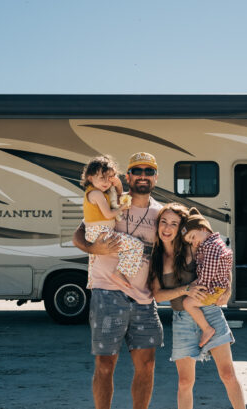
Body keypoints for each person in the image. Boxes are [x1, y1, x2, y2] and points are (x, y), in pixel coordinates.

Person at [73, 152, 164, 409]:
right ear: (128, 176)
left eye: (149, 171)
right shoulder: (111, 200)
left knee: (146, 365)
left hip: (143, 296)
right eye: (138, 171)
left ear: (156, 177)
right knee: (104, 365)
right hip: (107, 292)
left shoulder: (160, 212)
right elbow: (78, 235)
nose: (143, 176)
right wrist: (93, 249)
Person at [149, 203, 245, 409]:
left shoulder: (191, 245)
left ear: (181, 228)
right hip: (182, 318)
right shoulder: (155, 257)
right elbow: (157, 295)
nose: (167, 228)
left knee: (228, 374)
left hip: (209, 311)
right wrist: (185, 290)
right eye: (163, 222)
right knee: (185, 382)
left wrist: (227, 288)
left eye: (174, 224)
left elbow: (222, 257)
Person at [80, 154, 141, 288]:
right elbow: (108, 214)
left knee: (94, 259)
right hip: (100, 232)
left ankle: (91, 283)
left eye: (109, 178)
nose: (106, 182)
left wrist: (117, 183)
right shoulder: (96, 194)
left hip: (95, 233)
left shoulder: (98, 191)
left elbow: (118, 193)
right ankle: (120, 272)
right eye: (102, 178)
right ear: (90, 177)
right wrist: (123, 207)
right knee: (137, 246)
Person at [181, 208, 233, 347]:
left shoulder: (211, 247)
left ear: (203, 228)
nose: (193, 243)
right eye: (190, 242)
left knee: (188, 303)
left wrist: (196, 285)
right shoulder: (216, 243)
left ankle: (207, 329)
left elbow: (208, 273)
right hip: (218, 286)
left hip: (213, 289)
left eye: (192, 237)